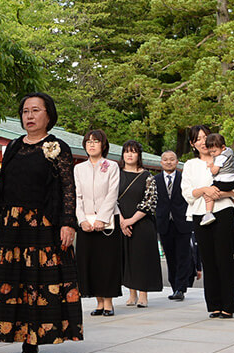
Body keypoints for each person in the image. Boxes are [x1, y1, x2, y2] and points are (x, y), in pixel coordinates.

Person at [0, 93, 81, 353]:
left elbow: (67, 188)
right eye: (25, 111)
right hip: (11, 224)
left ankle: (34, 340)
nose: (29, 116)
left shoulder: (57, 147)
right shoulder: (14, 146)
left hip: (43, 224)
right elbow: (2, 186)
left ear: (48, 115)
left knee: (38, 282)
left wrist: (67, 223)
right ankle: (18, 333)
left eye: (35, 110)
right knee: (13, 282)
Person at [180, 125, 234, 319]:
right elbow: (187, 193)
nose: (202, 141)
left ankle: (229, 305)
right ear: (192, 144)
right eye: (198, 139)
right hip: (200, 214)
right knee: (208, 260)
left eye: (205, 137)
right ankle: (214, 305)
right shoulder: (191, 164)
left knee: (224, 258)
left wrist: (219, 193)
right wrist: (205, 190)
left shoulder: (224, 159)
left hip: (223, 211)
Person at [74, 129, 121, 316]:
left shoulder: (112, 166)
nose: (91, 144)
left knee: (107, 262)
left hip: (107, 221)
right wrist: (82, 220)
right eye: (88, 141)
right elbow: (76, 196)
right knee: (89, 262)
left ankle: (108, 302)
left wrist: (102, 218)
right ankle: (98, 301)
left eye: (96, 141)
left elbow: (112, 193)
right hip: (86, 222)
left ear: (103, 145)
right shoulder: (78, 168)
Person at [118, 140, 161, 308]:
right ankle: (132, 293)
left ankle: (143, 294)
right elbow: (111, 199)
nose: (129, 155)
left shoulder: (147, 176)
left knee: (142, 258)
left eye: (133, 152)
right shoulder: (117, 174)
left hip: (142, 223)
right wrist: (122, 221)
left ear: (138, 155)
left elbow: (150, 201)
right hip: (121, 222)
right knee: (127, 258)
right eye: (127, 151)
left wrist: (131, 220)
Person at [155, 151, 195, 301]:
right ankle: (174, 286)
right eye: (165, 160)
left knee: (183, 255)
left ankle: (181, 288)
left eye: (172, 159)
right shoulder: (155, 180)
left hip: (183, 222)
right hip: (164, 223)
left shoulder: (184, 178)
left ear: (177, 161)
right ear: (161, 163)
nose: (169, 162)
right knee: (170, 256)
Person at [201, 133, 234, 225]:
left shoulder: (220, 157)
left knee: (208, 193)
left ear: (222, 147)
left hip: (224, 181)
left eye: (214, 151)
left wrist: (211, 166)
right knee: (232, 197)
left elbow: (214, 171)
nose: (212, 154)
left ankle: (208, 213)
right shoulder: (229, 151)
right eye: (210, 152)